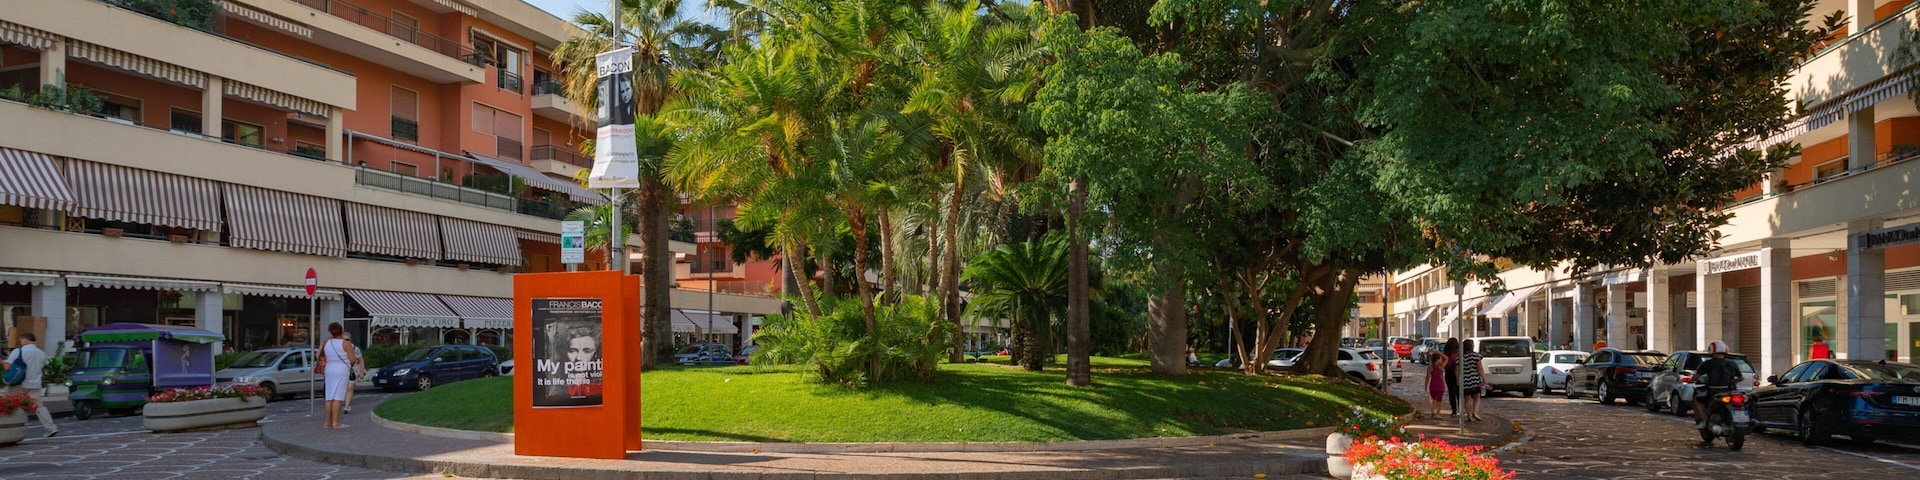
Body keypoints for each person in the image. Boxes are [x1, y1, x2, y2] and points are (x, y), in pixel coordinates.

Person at [1, 333, 57, 438]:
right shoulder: (41, 353)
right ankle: (51, 428)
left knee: (12, 404)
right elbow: (44, 366)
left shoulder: (18, 351)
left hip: (19, 383)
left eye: (21, 340)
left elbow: (7, 367)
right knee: (39, 406)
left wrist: (3, 362)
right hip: (35, 383)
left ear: (25, 340)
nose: (20, 342)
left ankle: (13, 427)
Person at [1692, 340, 1745, 430]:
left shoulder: (1707, 364)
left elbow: (1696, 377)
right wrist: (1733, 380)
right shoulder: (1732, 363)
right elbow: (1741, 378)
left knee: (1697, 399)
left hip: (1714, 391)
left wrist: (1693, 379)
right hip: (1730, 390)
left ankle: (1705, 421)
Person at [317, 323, 360, 429]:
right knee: (338, 396)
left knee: (329, 396)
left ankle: (328, 422)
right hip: (341, 369)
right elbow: (353, 360)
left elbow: (317, 355)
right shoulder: (346, 344)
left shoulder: (326, 342)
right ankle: (336, 423)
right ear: (341, 331)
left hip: (329, 369)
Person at [1458, 339, 1487, 422]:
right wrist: (1484, 379)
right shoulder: (1476, 356)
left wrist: (1458, 380)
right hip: (1474, 379)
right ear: (1472, 347)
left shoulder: (1460, 357)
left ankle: (1469, 416)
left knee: (1467, 398)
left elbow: (1457, 371)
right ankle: (1475, 412)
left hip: (1465, 380)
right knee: (1477, 396)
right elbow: (1480, 369)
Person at [1426, 349, 1451, 417]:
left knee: (1432, 399)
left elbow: (1427, 377)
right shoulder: (1441, 366)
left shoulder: (1430, 368)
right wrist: (1439, 353)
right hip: (1440, 385)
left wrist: (1426, 386)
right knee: (1439, 400)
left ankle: (1432, 412)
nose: (1441, 360)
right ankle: (1437, 413)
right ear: (1437, 360)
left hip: (1433, 385)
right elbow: (1446, 358)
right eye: (1440, 358)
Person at [1443, 338, 1462, 416]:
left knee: (1451, 393)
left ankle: (1454, 411)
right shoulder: (1459, 353)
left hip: (1449, 374)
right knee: (1459, 393)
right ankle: (1461, 409)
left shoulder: (1445, 354)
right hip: (1458, 374)